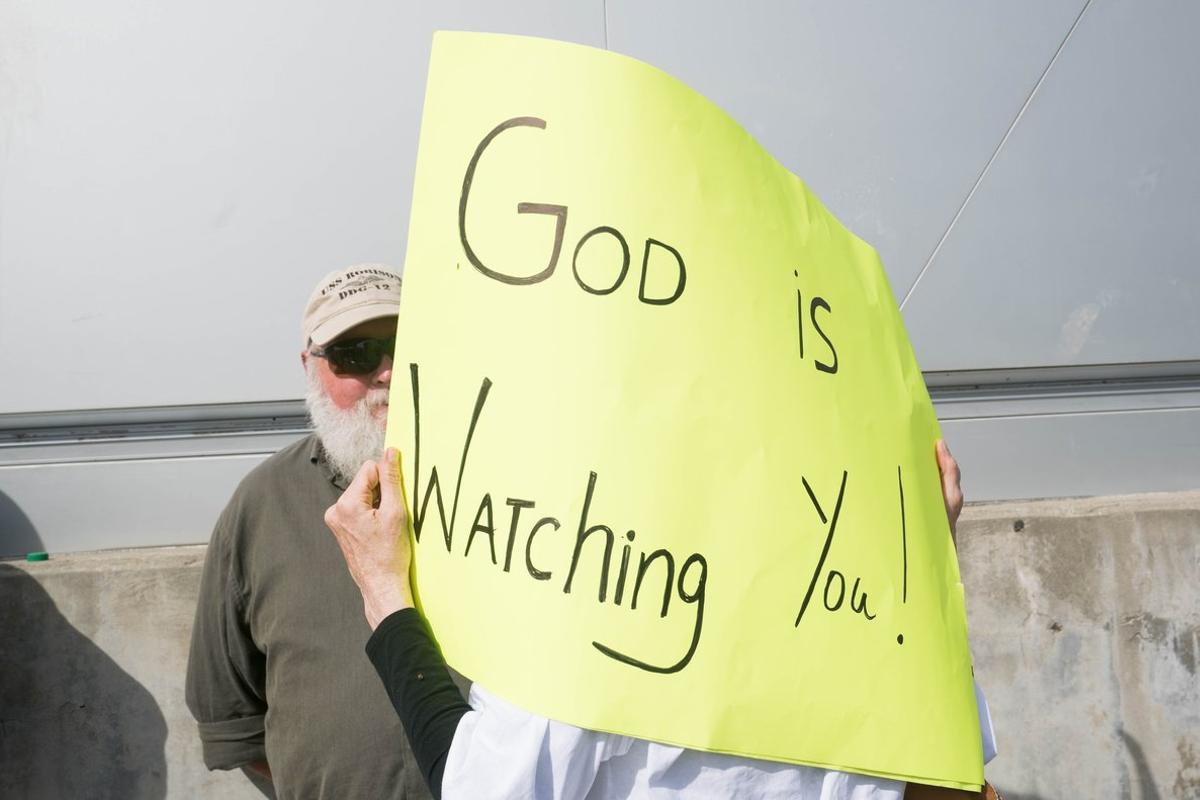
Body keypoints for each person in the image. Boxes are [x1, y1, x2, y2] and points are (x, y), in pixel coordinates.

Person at [325, 443, 1000, 800]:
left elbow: (481, 789)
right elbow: (953, 756)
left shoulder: (599, 600)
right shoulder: (861, 589)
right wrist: (917, 571)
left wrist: (384, 590)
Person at [185, 264, 453, 799]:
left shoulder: (510, 492)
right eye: (356, 354)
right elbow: (231, 716)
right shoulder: (262, 505)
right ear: (310, 366)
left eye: (407, 346)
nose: (389, 373)